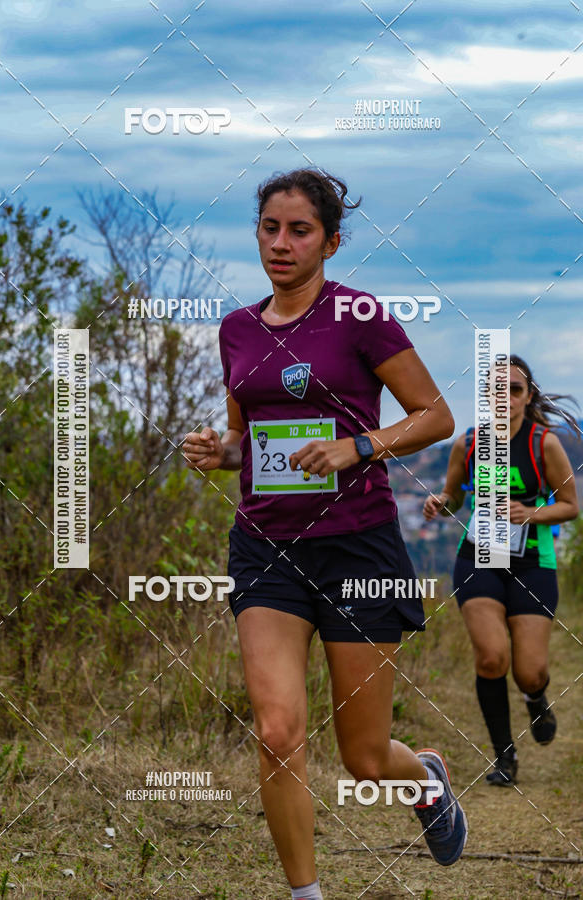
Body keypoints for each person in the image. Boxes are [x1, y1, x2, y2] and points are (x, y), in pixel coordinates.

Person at [183, 168, 467, 899]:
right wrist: (225, 453)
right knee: (277, 733)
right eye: (270, 228)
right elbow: (253, 443)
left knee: (365, 757)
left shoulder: (361, 317)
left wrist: (359, 446)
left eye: (299, 230)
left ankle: (425, 778)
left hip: (356, 545)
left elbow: (436, 417)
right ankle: (305, 895)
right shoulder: (237, 329)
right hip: (265, 549)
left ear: (331, 242)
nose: (281, 243)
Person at [423, 356, 579, 786]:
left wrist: (529, 513)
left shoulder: (542, 443)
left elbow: (570, 505)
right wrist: (441, 502)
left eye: (514, 389)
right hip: (478, 557)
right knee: (492, 657)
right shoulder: (468, 443)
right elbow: (453, 494)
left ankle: (535, 696)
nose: (504, 398)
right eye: (496, 389)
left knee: (529, 669)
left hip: (532, 563)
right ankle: (503, 757)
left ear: (528, 397)